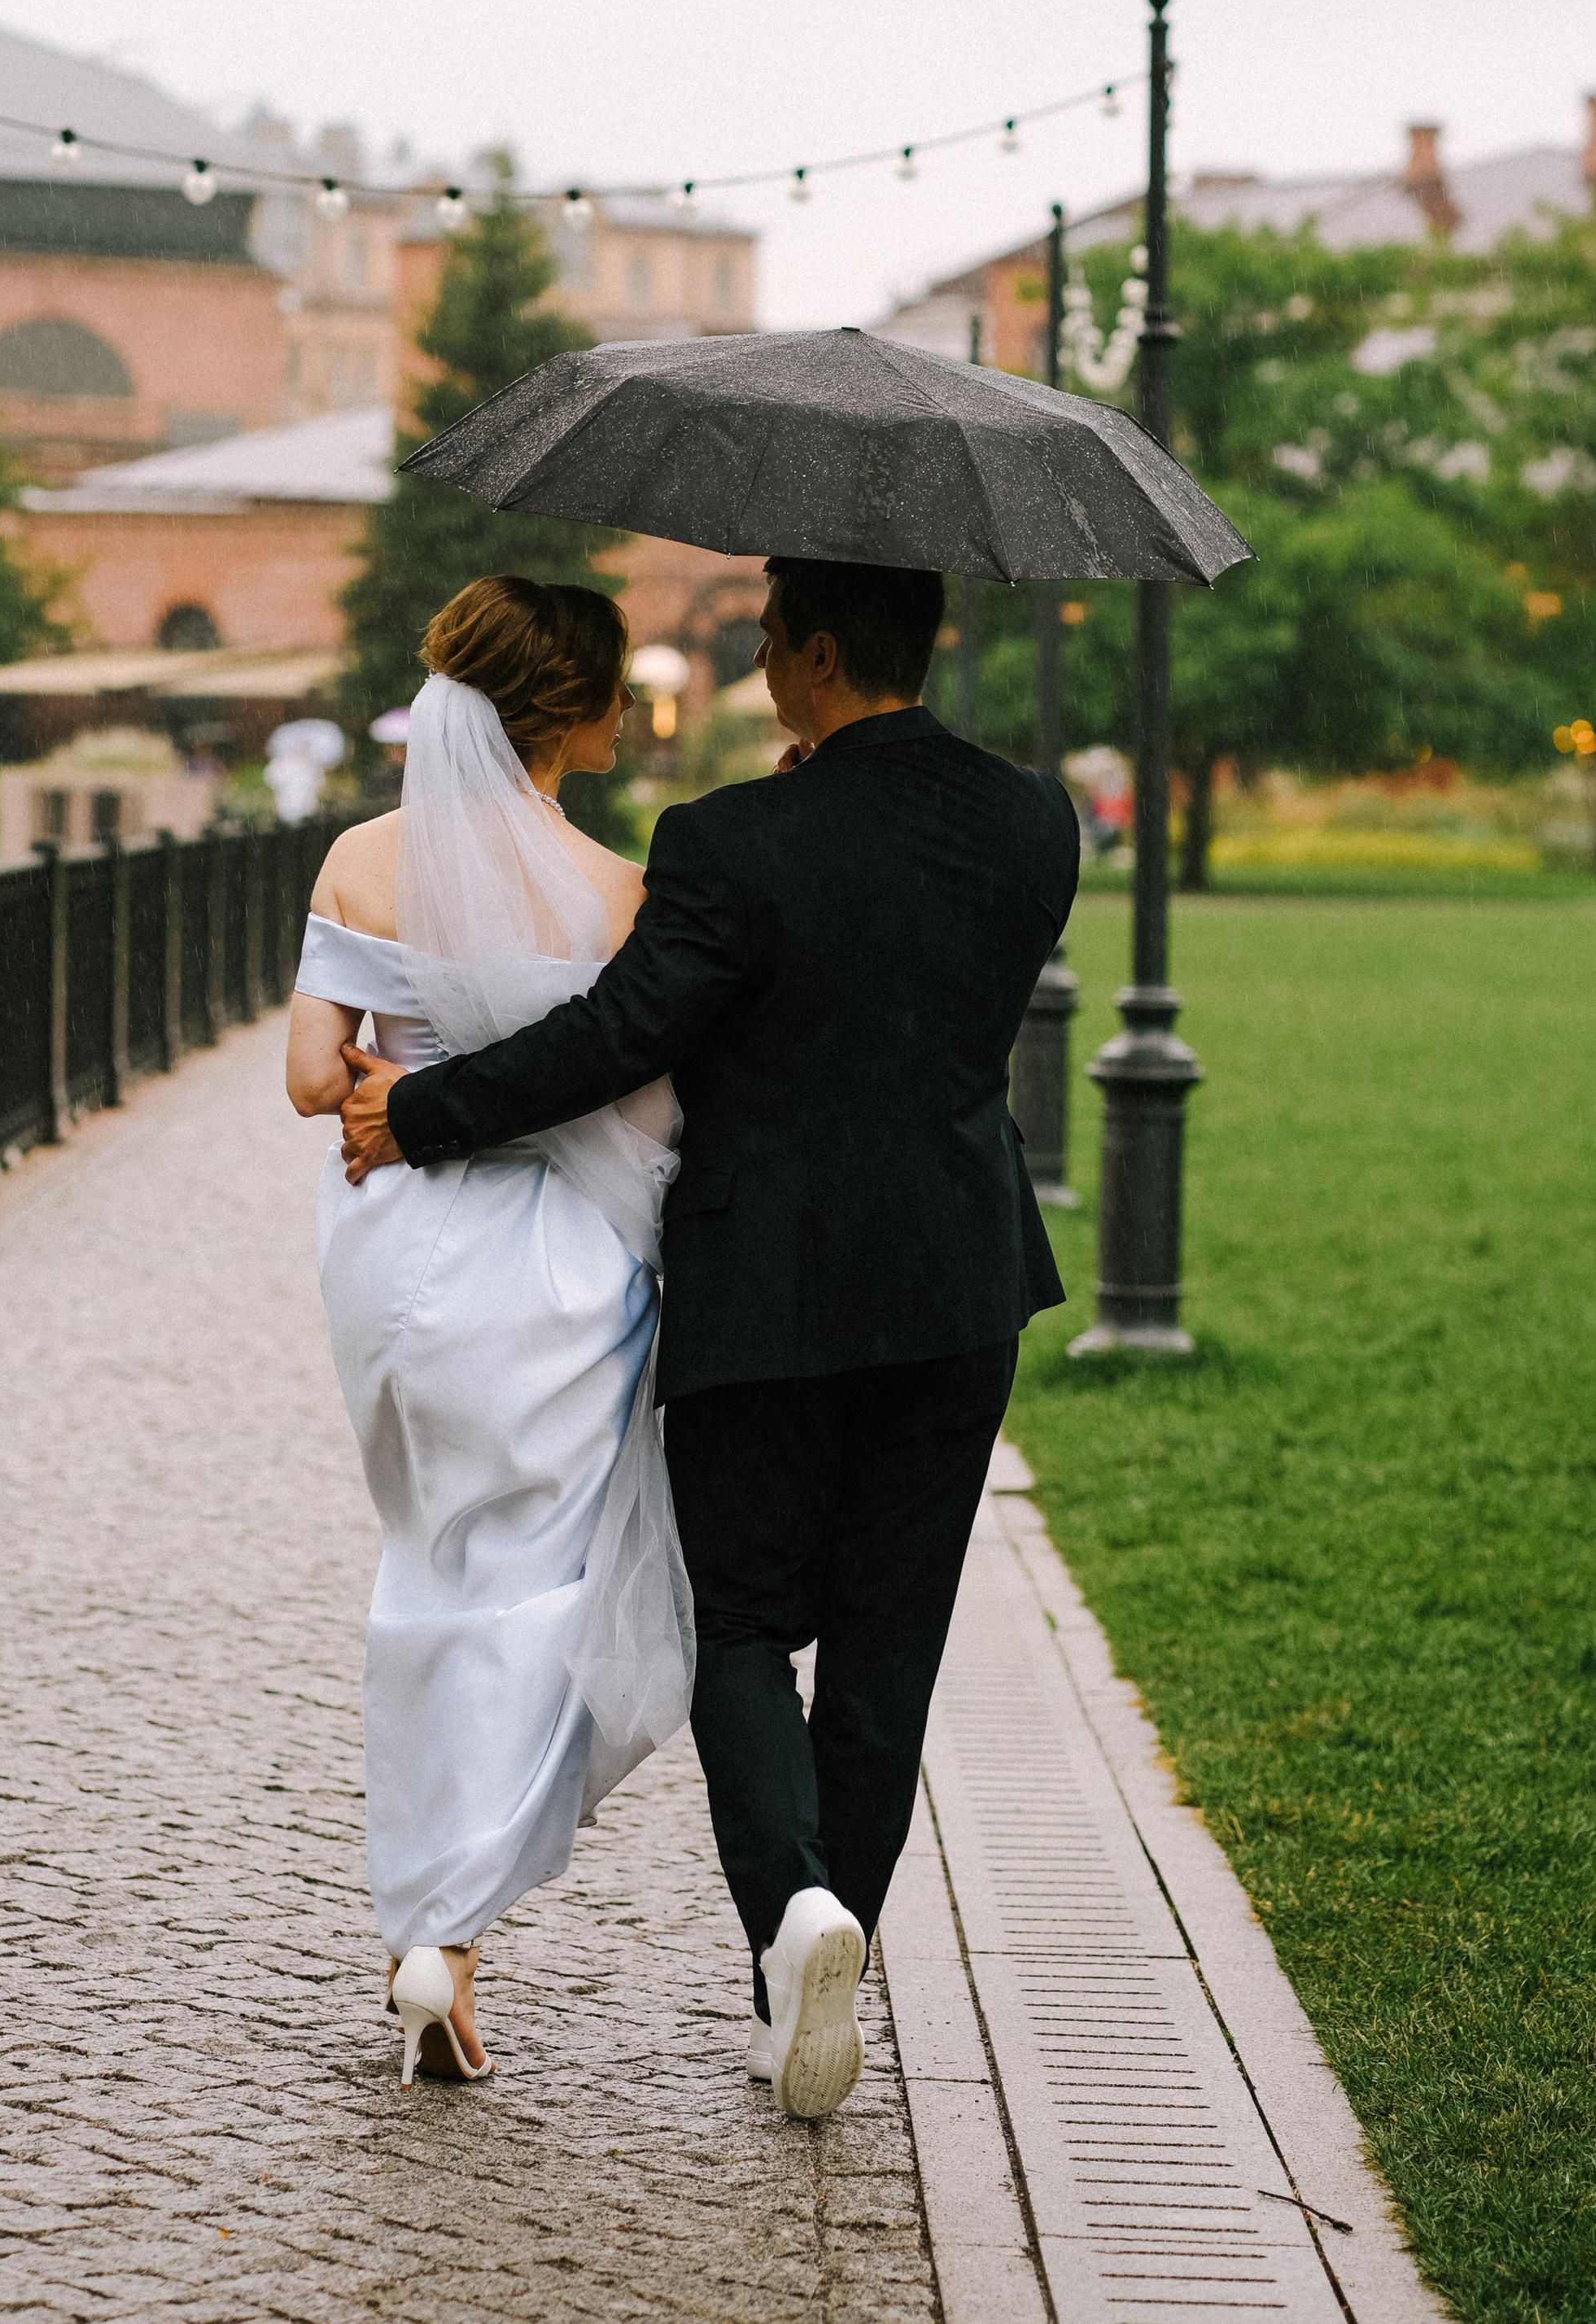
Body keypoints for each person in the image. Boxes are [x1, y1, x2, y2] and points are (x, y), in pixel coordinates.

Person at [340, 557, 1080, 2121]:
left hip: (769, 1292)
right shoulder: (1034, 820)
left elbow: (622, 1035)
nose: (755, 663)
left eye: (769, 640)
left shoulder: (732, 840)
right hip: (957, 1286)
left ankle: (791, 1910)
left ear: (819, 655)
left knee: (737, 1625)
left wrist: (421, 1112)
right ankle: (819, 1951)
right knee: (889, 1640)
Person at [286, 576, 694, 2090]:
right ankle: (446, 1931)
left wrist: (408, 1083)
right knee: (540, 1585)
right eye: (616, 690)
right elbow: (643, 1111)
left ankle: (423, 1922)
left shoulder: (360, 858)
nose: (628, 712)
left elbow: (311, 1080)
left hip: (392, 1254)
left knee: (425, 1561)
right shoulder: (617, 890)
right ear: (568, 713)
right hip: (556, 1270)